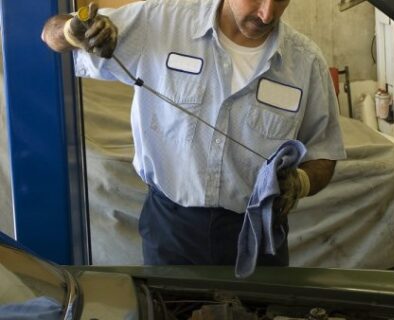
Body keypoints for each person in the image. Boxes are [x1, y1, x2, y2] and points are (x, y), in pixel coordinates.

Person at [41, 0, 346, 267]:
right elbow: (50, 34)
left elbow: (324, 151)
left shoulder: (306, 62)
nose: (267, 14)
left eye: (280, 0)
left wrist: (302, 182)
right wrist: (73, 30)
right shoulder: (159, 23)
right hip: (172, 231)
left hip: (258, 236)